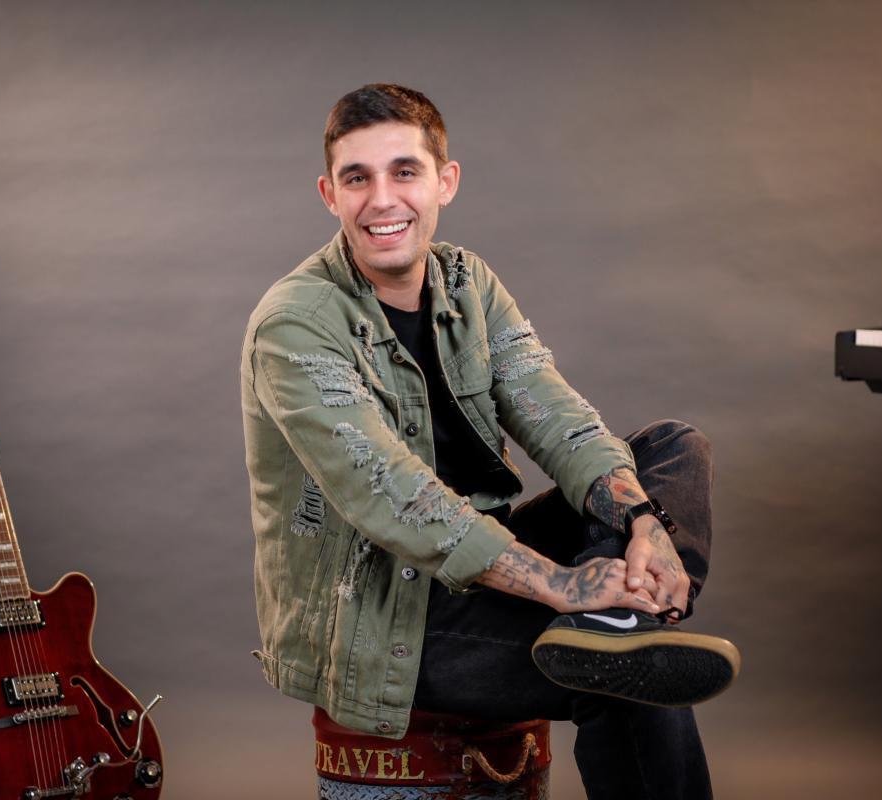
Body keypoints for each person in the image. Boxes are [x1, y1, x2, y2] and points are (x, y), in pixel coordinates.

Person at [240, 83, 740, 799]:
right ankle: (615, 628)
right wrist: (564, 586)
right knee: (631, 680)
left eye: (404, 171)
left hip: (481, 573)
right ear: (330, 194)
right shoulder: (294, 324)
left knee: (673, 446)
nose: (383, 199)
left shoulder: (468, 283)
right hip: (382, 623)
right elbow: (396, 499)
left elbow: (559, 419)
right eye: (358, 178)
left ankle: (620, 617)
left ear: (446, 181)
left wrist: (643, 525)